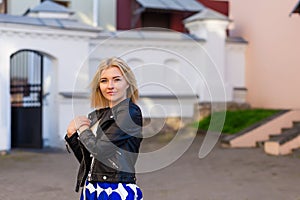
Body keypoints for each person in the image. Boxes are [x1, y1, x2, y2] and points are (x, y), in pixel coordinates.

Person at [65, 57, 143, 200]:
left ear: (128, 83)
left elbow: (100, 150)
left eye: (117, 79)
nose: (110, 85)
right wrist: (71, 135)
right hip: (92, 188)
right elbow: (88, 158)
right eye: (104, 80)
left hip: (116, 189)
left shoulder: (130, 113)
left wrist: (82, 129)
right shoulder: (97, 116)